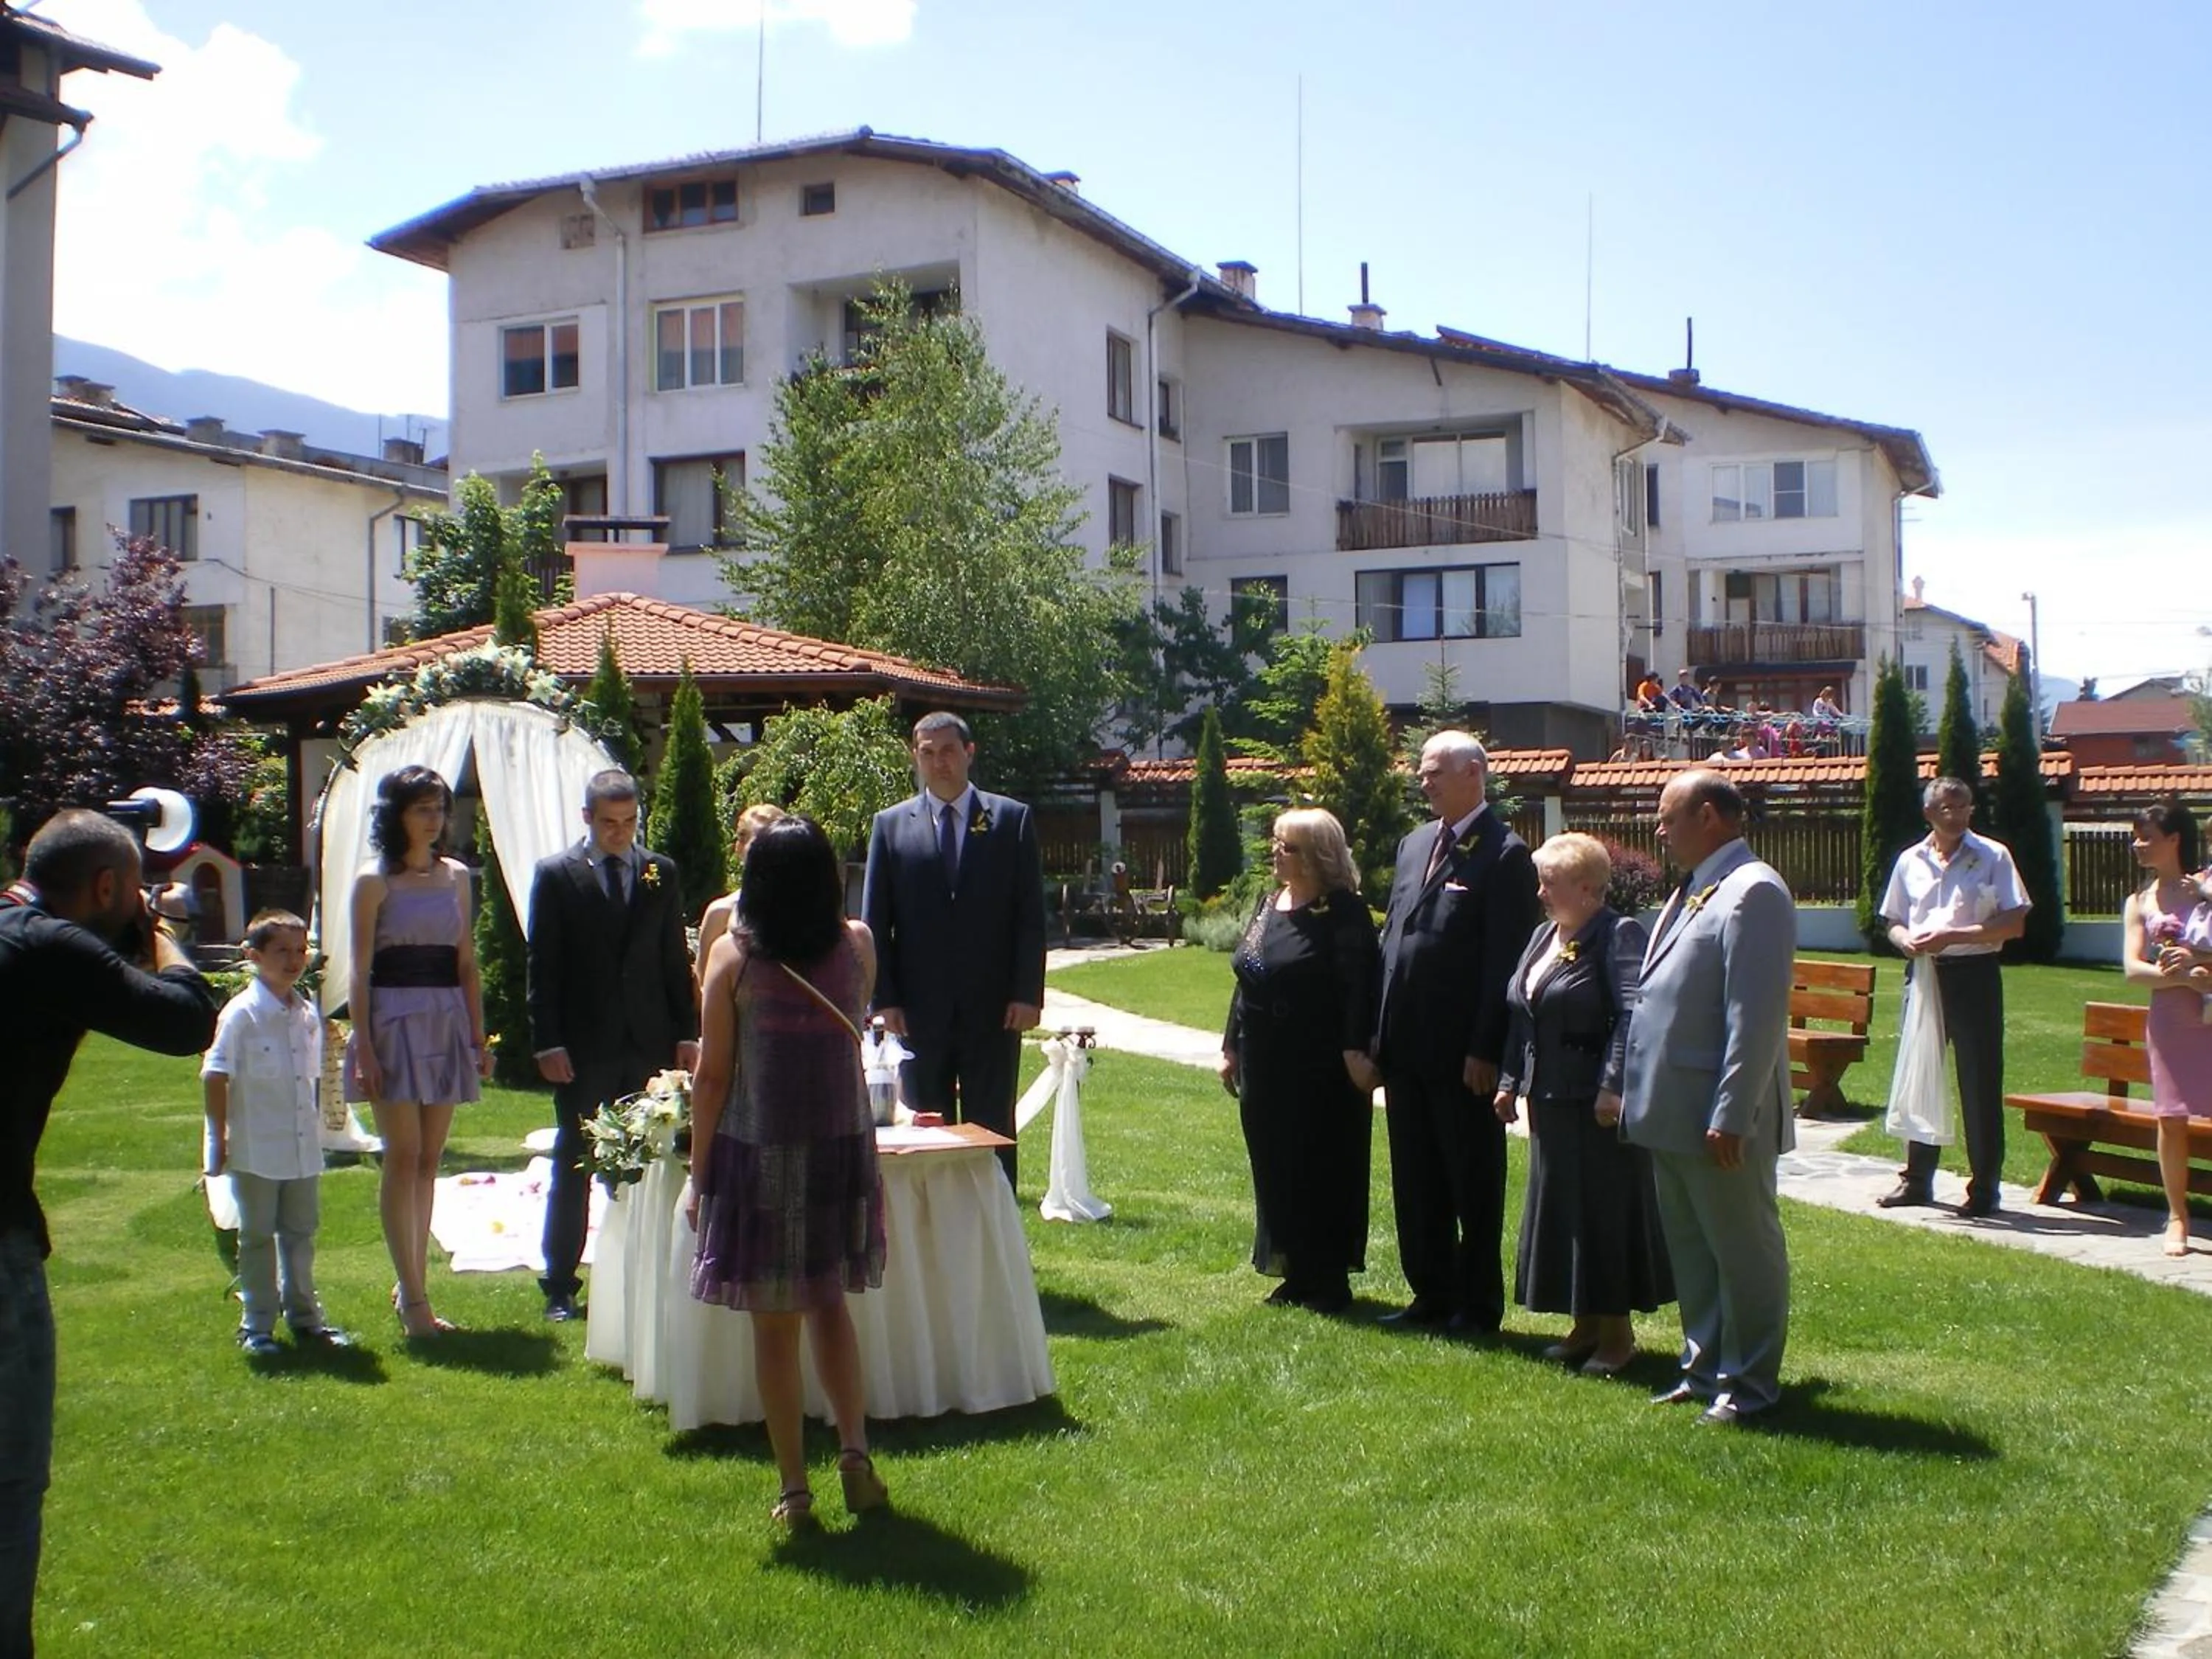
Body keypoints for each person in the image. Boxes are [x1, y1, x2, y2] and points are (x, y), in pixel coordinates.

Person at [1, 810, 219, 1655]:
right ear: (105, 888)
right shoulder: (53, 946)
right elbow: (183, 1016)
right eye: (127, 893)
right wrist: (164, 933)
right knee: (11, 1483)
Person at [686, 817, 888, 1528]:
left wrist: (696, 1170)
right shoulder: (856, 945)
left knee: (775, 1328)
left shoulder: (730, 961)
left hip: (759, 1151)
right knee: (829, 1305)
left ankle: (795, 1492)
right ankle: (856, 1455)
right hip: (838, 1148)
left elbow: (711, 1078)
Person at [1621, 769, 1795, 1427]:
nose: (1659, 831)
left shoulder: (1754, 892)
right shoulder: (1699, 887)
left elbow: (1755, 1018)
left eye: (1669, 818)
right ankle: (1703, 1371)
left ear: (1712, 816)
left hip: (1719, 1116)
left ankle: (1749, 1385)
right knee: (1693, 1250)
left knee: (1741, 1249)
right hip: (1672, 1110)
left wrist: (1734, 1112)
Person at [1370, 731, 1540, 1335]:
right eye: (1422, 772)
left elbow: (1505, 965)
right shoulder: (1415, 844)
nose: (1424, 781)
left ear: (1474, 773)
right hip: (1407, 1047)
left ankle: (1477, 1303)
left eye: (1435, 771)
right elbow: (1394, 939)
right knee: (1416, 1179)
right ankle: (1430, 1292)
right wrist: (1376, 1036)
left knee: (1471, 1179)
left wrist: (1485, 1048)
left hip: (1462, 1054)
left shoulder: (1503, 853)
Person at [1493, 833, 1671, 1376]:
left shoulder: (1618, 935)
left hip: (1595, 1105)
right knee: (1566, 1213)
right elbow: (1522, 1011)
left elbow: (1631, 1016)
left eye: (1551, 883)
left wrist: (1613, 1085)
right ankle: (1585, 1325)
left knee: (1604, 1214)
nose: (1541, 893)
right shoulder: (1543, 935)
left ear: (1588, 887)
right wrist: (1509, 1079)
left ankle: (1617, 1336)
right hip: (1549, 1100)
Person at [528, 769, 699, 1323]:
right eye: (609, 823)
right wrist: (547, 1041)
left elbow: (673, 957)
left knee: (653, 1161)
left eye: (629, 823)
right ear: (587, 819)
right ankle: (560, 1283)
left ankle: (648, 1273)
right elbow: (545, 966)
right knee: (574, 1161)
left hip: (647, 1042)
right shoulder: (556, 875)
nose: (620, 833)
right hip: (584, 1042)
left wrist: (685, 1032)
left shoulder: (659, 872)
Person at [862, 712, 1047, 1187]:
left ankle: (996, 1222)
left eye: (947, 751)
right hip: (918, 1013)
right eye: (927, 753)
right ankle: (935, 1224)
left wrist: (1028, 994)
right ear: (915, 757)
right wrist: (885, 1000)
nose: (938, 762)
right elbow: (875, 922)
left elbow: (1029, 917)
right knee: (927, 1123)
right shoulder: (890, 826)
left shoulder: (1010, 820)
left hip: (994, 1007)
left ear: (969, 752)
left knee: (991, 1122)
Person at [345, 767, 492, 1340]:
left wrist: (478, 1039)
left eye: (439, 809)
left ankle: (413, 1287)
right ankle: (414, 1299)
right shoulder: (373, 881)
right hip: (391, 1019)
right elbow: (358, 970)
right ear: (396, 815)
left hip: (446, 1018)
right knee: (402, 1155)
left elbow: (466, 963)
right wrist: (367, 1049)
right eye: (422, 808)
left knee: (430, 1159)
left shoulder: (457, 876)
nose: (433, 819)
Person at [1219, 809, 1381, 1313]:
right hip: (1266, 1060)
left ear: (1316, 856)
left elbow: (1362, 989)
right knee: (1274, 1163)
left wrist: (1358, 1051)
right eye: (1276, 843)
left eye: (1285, 846)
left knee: (1323, 1165)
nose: (1275, 852)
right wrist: (1230, 1046)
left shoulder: (1344, 912)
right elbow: (1247, 977)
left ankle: (1328, 1276)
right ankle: (1293, 1268)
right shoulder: (1269, 903)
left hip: (1322, 1065)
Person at [1874, 776, 2031, 1217]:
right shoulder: (1911, 860)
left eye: (1964, 807)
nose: (1957, 815)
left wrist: (1953, 935)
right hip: (1923, 974)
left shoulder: (1992, 855)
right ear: (1929, 813)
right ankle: (1917, 1179)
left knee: (1979, 1080)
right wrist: (1906, 940)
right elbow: (1893, 919)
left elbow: (2014, 921)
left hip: (1974, 973)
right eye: (1947, 807)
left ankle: (1984, 1188)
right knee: (1920, 1072)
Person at [201, 910, 351, 1357]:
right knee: (258, 1237)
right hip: (257, 1147)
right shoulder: (242, 1015)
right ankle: (257, 1325)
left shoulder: (304, 1013)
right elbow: (214, 1073)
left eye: (300, 950)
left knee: (301, 1233)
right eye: (281, 951)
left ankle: (306, 1318)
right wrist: (219, 1136)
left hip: (301, 1147)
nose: (294, 960)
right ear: (254, 955)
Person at [2123, 801, 2212, 1256]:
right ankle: (2178, 1216)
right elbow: (2133, 970)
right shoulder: (2139, 902)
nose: (2138, 844)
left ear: (2175, 840)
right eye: (2136, 836)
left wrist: (2201, 967)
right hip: (2170, 1021)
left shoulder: (2208, 890)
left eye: (2147, 837)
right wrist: (2181, 976)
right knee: (2171, 1119)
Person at [696, 802, 788, 964]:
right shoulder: (720, 914)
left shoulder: (813, 909)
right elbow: (702, 985)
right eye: (761, 847)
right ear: (739, 848)